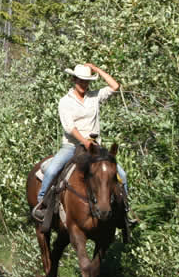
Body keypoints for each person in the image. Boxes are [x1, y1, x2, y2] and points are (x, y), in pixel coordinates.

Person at [33, 63, 129, 221]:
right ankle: (42, 203)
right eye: (80, 80)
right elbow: (70, 127)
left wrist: (96, 69)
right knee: (51, 171)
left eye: (86, 81)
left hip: (95, 147)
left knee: (122, 175)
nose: (83, 84)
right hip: (72, 146)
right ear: (73, 79)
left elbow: (114, 86)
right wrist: (84, 142)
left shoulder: (94, 96)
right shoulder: (65, 101)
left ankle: (124, 209)